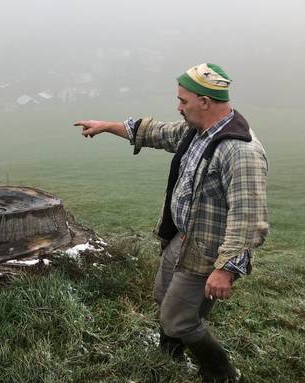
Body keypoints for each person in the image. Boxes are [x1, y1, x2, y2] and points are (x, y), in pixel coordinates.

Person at [74, 63, 268, 382]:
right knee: (164, 296)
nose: (178, 107)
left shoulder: (240, 152)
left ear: (205, 102)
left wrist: (225, 269)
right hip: (183, 238)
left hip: (208, 251)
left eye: (183, 101)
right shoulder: (198, 132)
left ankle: (223, 373)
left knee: (179, 319)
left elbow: (249, 219)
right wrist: (107, 126)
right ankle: (170, 357)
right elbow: (156, 132)